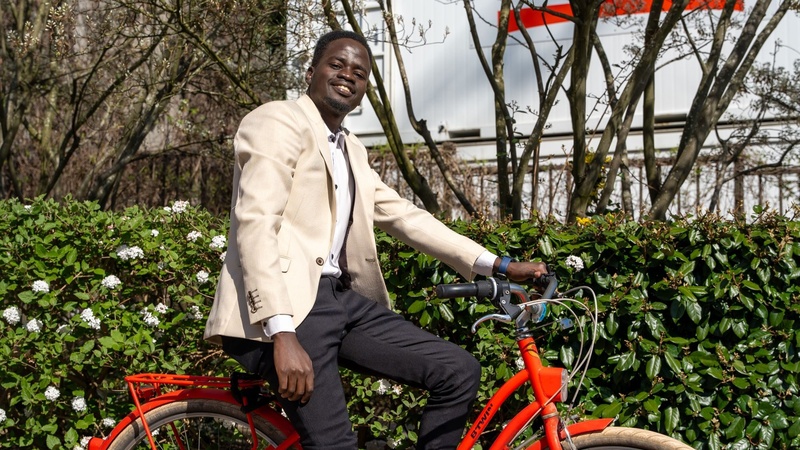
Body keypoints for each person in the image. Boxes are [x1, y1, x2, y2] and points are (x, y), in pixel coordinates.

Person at [204, 29, 547, 450]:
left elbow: (405, 216)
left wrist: (496, 264)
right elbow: (256, 223)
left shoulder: (351, 149)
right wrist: (282, 331)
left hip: (338, 301)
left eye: (360, 72)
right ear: (310, 71)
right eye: (336, 64)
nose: (348, 74)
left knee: (457, 372)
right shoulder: (277, 121)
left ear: (365, 89)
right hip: (289, 310)